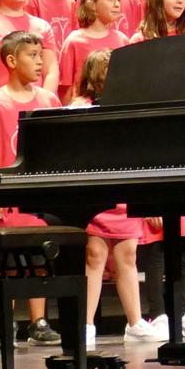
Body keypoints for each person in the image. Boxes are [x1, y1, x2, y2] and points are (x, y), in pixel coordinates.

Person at [64, 50, 164, 349]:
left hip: (123, 190)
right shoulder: (79, 108)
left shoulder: (130, 107)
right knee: (94, 256)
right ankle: (85, 324)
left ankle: (135, 323)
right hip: (93, 192)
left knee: (128, 257)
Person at [0, 32, 62, 346]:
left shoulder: (48, 100)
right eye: (32, 55)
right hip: (10, 197)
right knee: (11, 262)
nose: (40, 61)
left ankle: (38, 321)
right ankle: (6, 321)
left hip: (39, 197)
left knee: (40, 260)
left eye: (41, 55)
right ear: (12, 61)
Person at [55, 0, 128, 104]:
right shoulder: (74, 41)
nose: (117, 4)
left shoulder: (122, 40)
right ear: (92, 4)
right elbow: (65, 87)